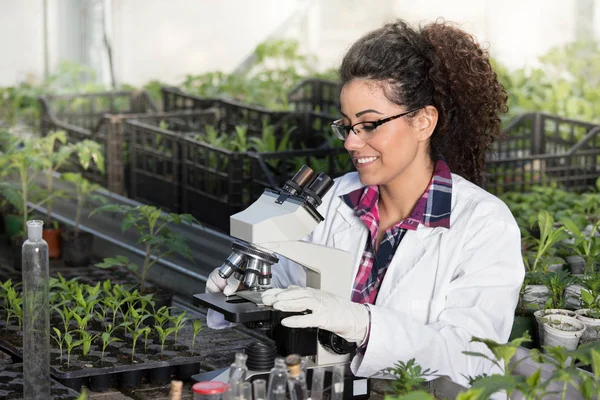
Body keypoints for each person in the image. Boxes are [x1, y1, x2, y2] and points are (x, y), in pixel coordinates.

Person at [206, 19, 525, 387]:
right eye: (346, 125)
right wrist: (245, 287)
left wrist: (364, 324)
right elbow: (286, 281)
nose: (351, 143)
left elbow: (473, 358)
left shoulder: (484, 225)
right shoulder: (331, 202)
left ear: (424, 122)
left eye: (369, 124)